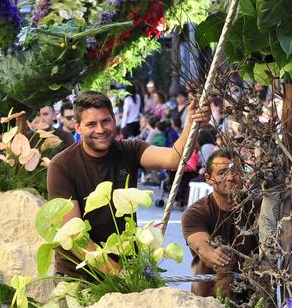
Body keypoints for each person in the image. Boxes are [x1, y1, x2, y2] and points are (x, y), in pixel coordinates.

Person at [46, 91, 209, 276]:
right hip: (80, 276)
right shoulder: (61, 166)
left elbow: (174, 158)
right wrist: (118, 274)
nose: (100, 129)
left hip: (127, 267)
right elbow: (75, 236)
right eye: (91, 124)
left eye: (106, 121)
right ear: (78, 127)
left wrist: (191, 123)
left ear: (114, 120)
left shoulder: (130, 150)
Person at [180, 150, 258, 299]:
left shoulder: (258, 206)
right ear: (209, 179)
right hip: (208, 300)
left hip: (254, 298)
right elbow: (200, 245)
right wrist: (212, 254)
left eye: (236, 171)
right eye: (222, 172)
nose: (230, 177)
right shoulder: (195, 213)